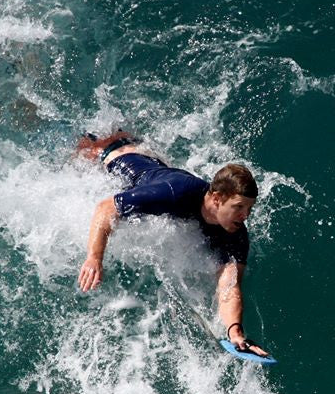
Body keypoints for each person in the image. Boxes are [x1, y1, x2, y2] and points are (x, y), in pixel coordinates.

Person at [76, 131, 270, 358]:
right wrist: (94, 257)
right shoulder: (173, 193)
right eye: (239, 207)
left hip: (152, 161)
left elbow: (229, 286)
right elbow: (106, 208)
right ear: (216, 199)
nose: (245, 216)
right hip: (109, 154)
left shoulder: (236, 234)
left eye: (249, 209)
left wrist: (235, 331)